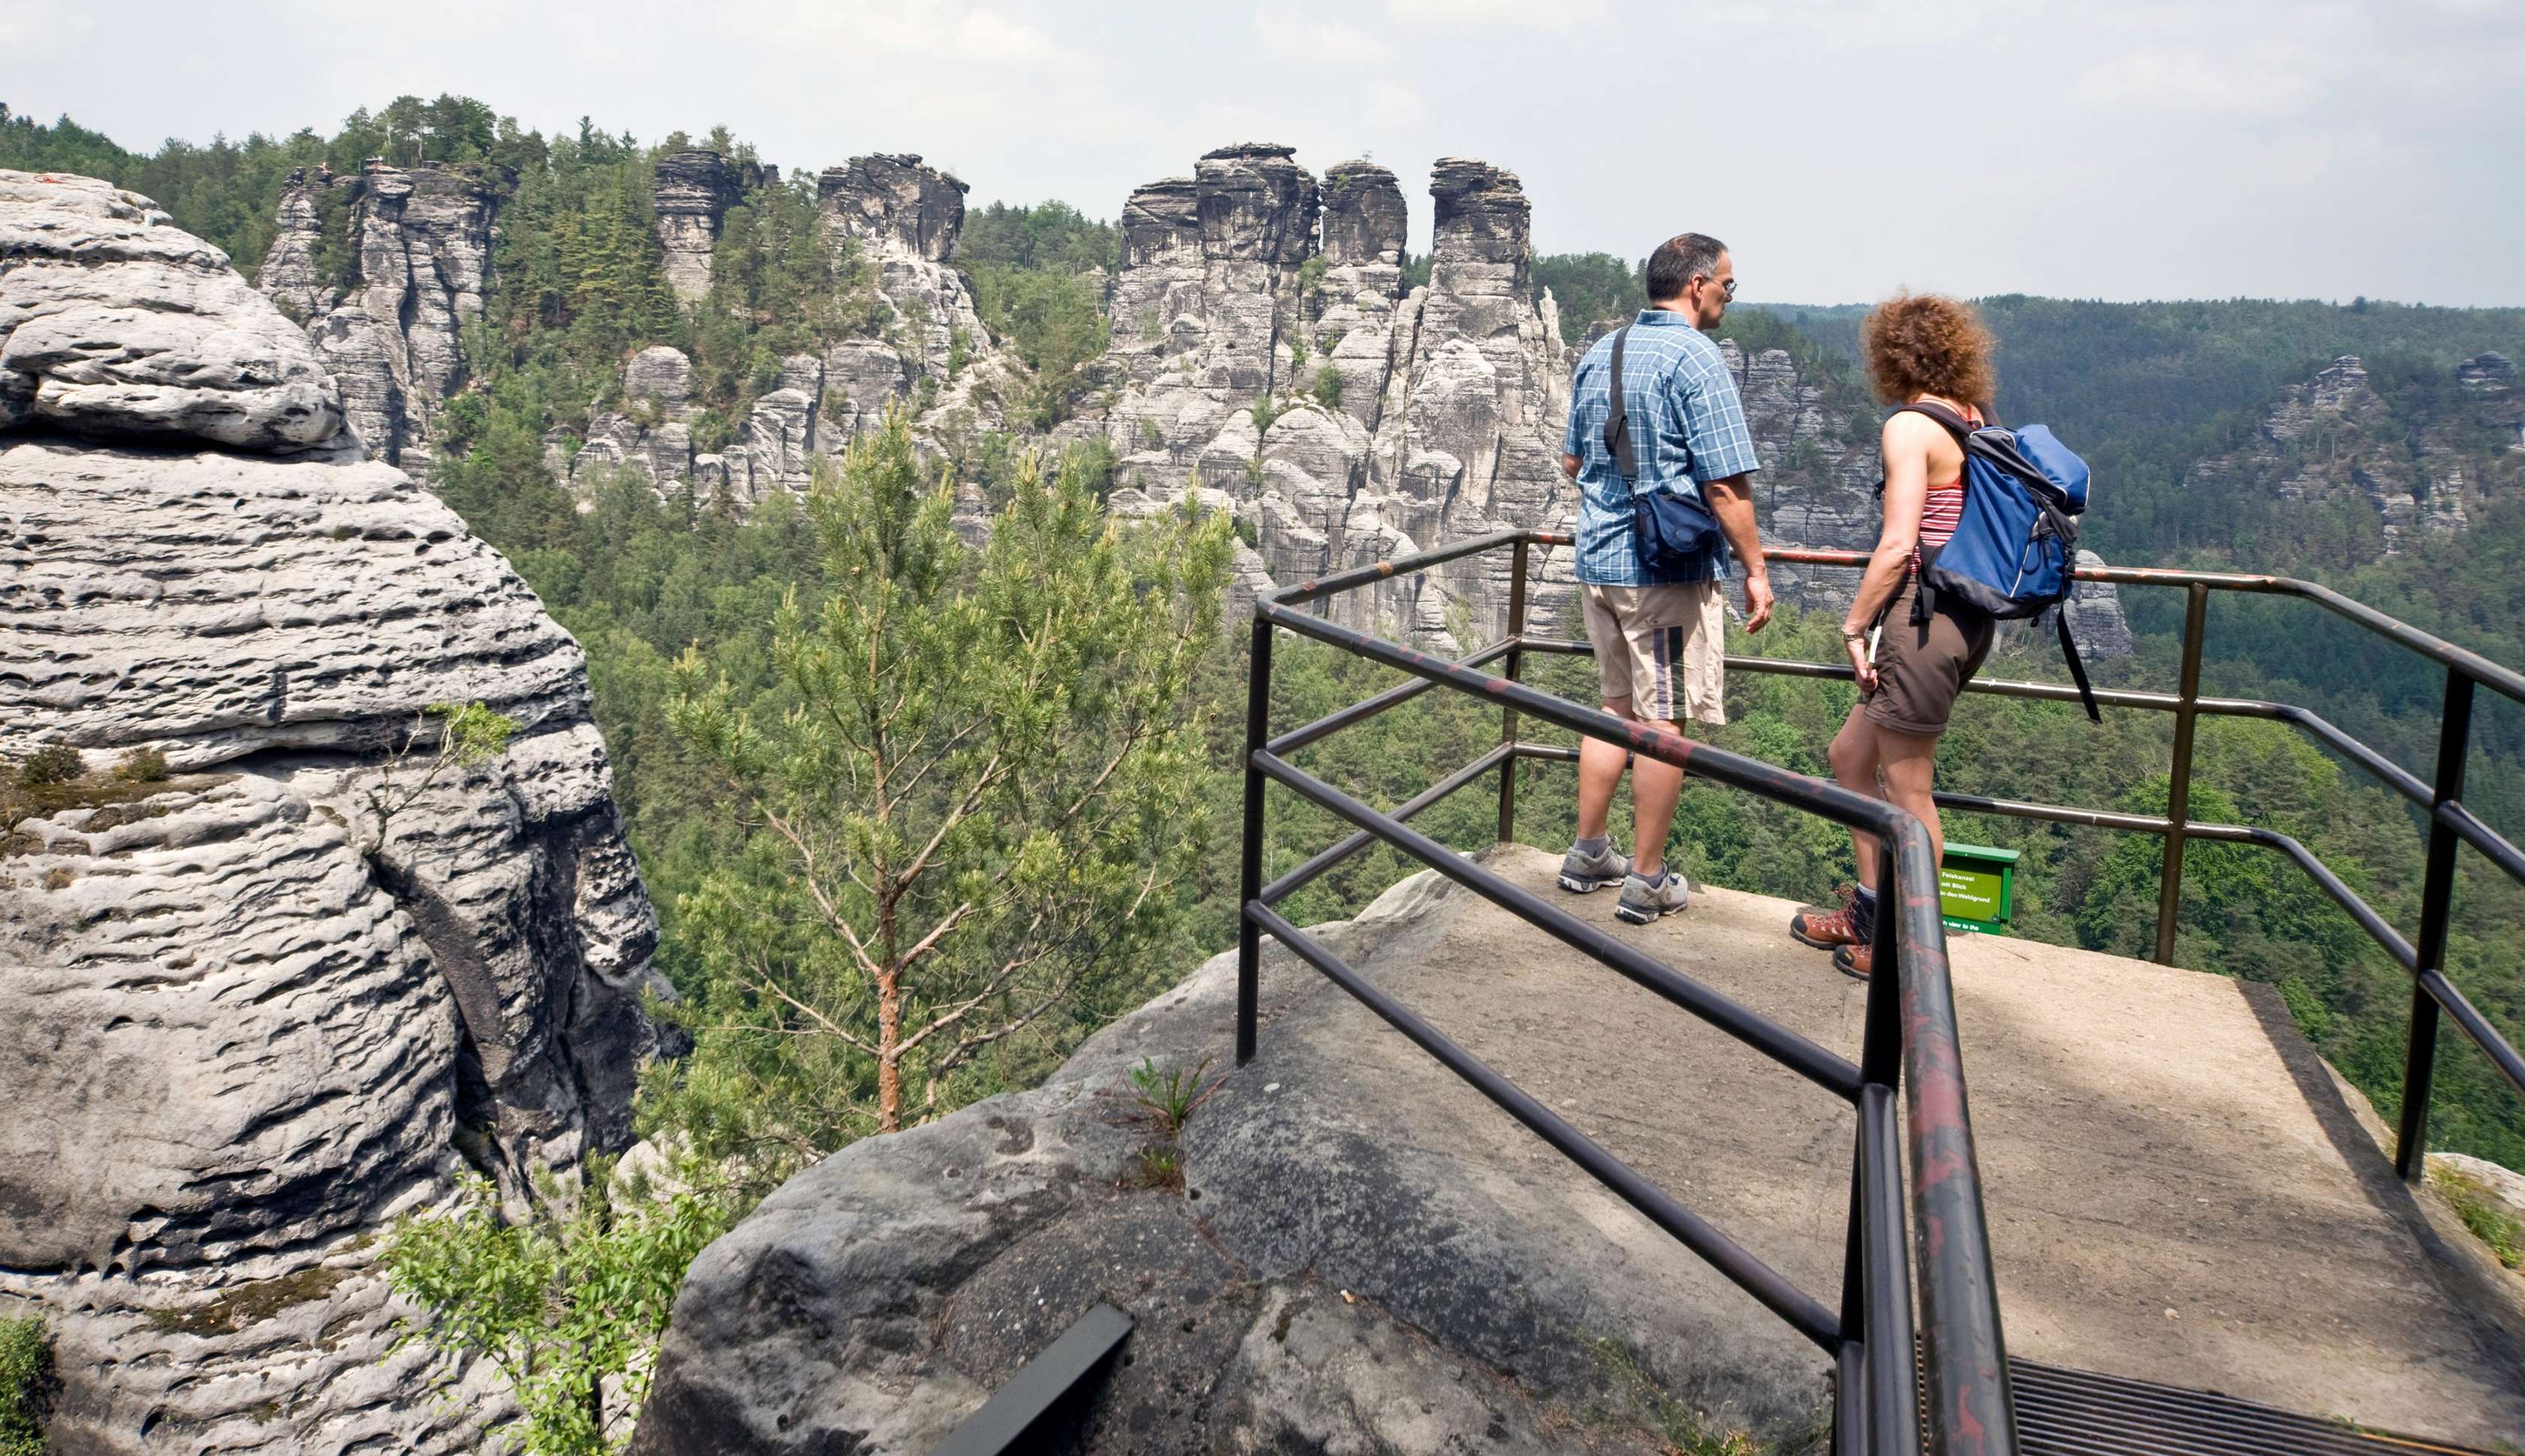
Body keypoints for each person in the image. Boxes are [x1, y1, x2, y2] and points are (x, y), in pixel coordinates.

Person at [1555, 233, 1772, 925]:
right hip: (1662, 572)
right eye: (1729, 288)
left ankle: (1590, 853)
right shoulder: (1696, 358)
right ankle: (1646, 881)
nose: (1729, 300)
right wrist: (1757, 572)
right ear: (1698, 285)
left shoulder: (1602, 350)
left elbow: (1570, 462)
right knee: (1664, 724)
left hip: (1598, 562)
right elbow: (1727, 487)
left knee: (1615, 707)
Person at [1788, 293, 2000, 978]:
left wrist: (1854, 627)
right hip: (1960, 620)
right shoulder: (1972, 418)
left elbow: (1897, 546)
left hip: (1923, 620)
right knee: (1850, 757)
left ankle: (1909, 950)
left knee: (1910, 797)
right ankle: (1870, 910)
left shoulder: (1911, 427)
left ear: (1889, 355)